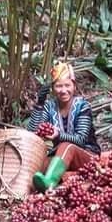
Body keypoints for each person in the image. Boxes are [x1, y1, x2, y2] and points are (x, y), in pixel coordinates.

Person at [28, 62, 100, 192]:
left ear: (74, 86)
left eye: (67, 85)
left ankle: (49, 182)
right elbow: (32, 133)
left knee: (66, 146)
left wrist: (58, 135)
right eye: (58, 86)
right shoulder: (49, 106)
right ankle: (54, 181)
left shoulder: (82, 105)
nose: (63, 90)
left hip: (87, 156)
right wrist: (39, 104)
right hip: (62, 158)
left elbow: (81, 139)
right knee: (41, 162)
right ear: (53, 88)